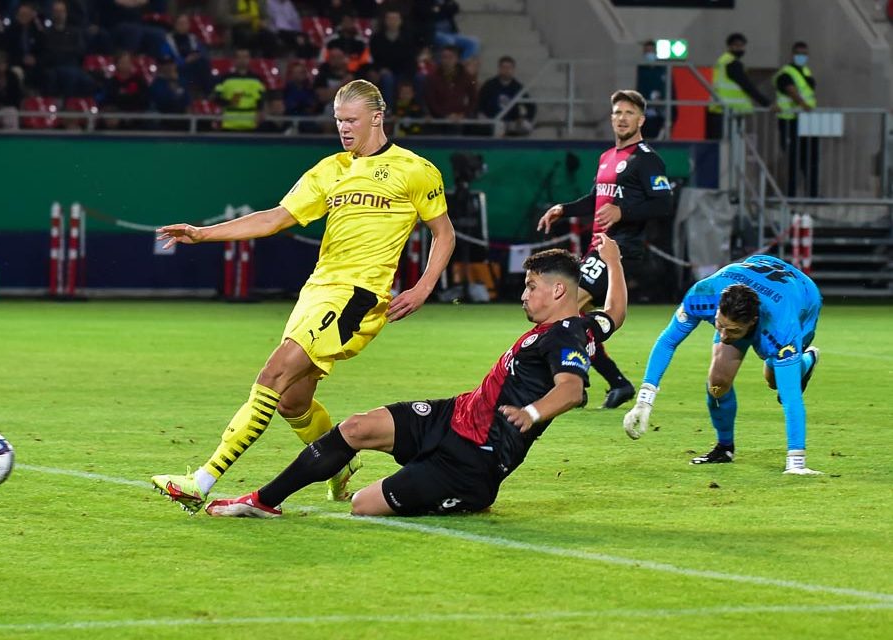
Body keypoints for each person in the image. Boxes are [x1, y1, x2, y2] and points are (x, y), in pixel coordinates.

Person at [151, 79, 456, 513]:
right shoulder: (330, 169)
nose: (344, 129)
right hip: (317, 292)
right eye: (338, 121)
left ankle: (201, 479)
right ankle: (338, 466)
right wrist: (203, 234)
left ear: (377, 116)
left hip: (357, 297)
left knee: (273, 375)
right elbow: (275, 218)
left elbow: (443, 234)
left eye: (351, 120)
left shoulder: (415, 170)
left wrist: (423, 287)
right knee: (294, 400)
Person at [205, 237, 626, 518]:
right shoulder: (586, 327)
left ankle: (463, 498)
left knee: (363, 506)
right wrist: (614, 262)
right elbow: (616, 315)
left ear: (557, 292)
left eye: (531, 286)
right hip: (451, 416)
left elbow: (570, 389)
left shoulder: (566, 334)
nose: (523, 294)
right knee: (356, 427)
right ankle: (263, 501)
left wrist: (532, 413)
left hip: (474, 460)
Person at [622, 255, 823, 475]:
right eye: (719, 325)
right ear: (717, 309)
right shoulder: (702, 295)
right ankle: (724, 448)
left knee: (776, 381)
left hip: (802, 297)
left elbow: (792, 397)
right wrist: (644, 401)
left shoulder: (782, 328)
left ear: (753, 321)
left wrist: (796, 463)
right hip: (757, 272)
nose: (724, 336)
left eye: (734, 330)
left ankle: (807, 360)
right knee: (717, 383)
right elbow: (668, 341)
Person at [537, 90, 673, 409]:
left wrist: (624, 212)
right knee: (577, 319)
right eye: (617, 112)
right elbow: (596, 198)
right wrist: (563, 209)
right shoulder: (607, 157)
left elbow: (664, 204)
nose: (622, 118)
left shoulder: (647, 159)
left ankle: (567, 383)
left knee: (562, 310)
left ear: (640, 120)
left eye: (628, 113)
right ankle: (616, 382)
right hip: (596, 248)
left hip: (620, 250)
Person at [705, 33, 772, 140]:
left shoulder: (722, 61)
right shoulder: (731, 63)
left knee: (722, 147)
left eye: (742, 46)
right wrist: (767, 104)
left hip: (720, 109)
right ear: (729, 46)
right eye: (736, 46)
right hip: (728, 112)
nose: (740, 48)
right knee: (728, 147)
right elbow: (747, 85)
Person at [774, 41, 818, 198]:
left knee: (810, 159)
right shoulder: (786, 73)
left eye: (804, 54)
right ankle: (791, 195)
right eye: (799, 53)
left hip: (806, 121)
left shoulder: (806, 71)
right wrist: (803, 104)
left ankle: (813, 194)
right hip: (789, 120)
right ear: (792, 55)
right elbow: (790, 90)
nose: (802, 56)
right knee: (793, 159)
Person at [478, 55, 535, 136]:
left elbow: (531, 106)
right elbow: (479, 103)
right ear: (499, 69)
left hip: (511, 123)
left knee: (526, 127)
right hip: (491, 122)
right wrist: (482, 116)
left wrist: (525, 119)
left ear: (513, 69)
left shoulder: (518, 87)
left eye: (509, 67)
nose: (506, 70)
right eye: (504, 67)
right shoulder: (489, 85)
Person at [636, 40, 675, 139]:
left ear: (655, 52)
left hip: (660, 112)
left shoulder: (663, 69)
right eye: (646, 52)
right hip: (645, 113)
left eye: (651, 51)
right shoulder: (642, 70)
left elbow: (670, 91)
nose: (649, 54)